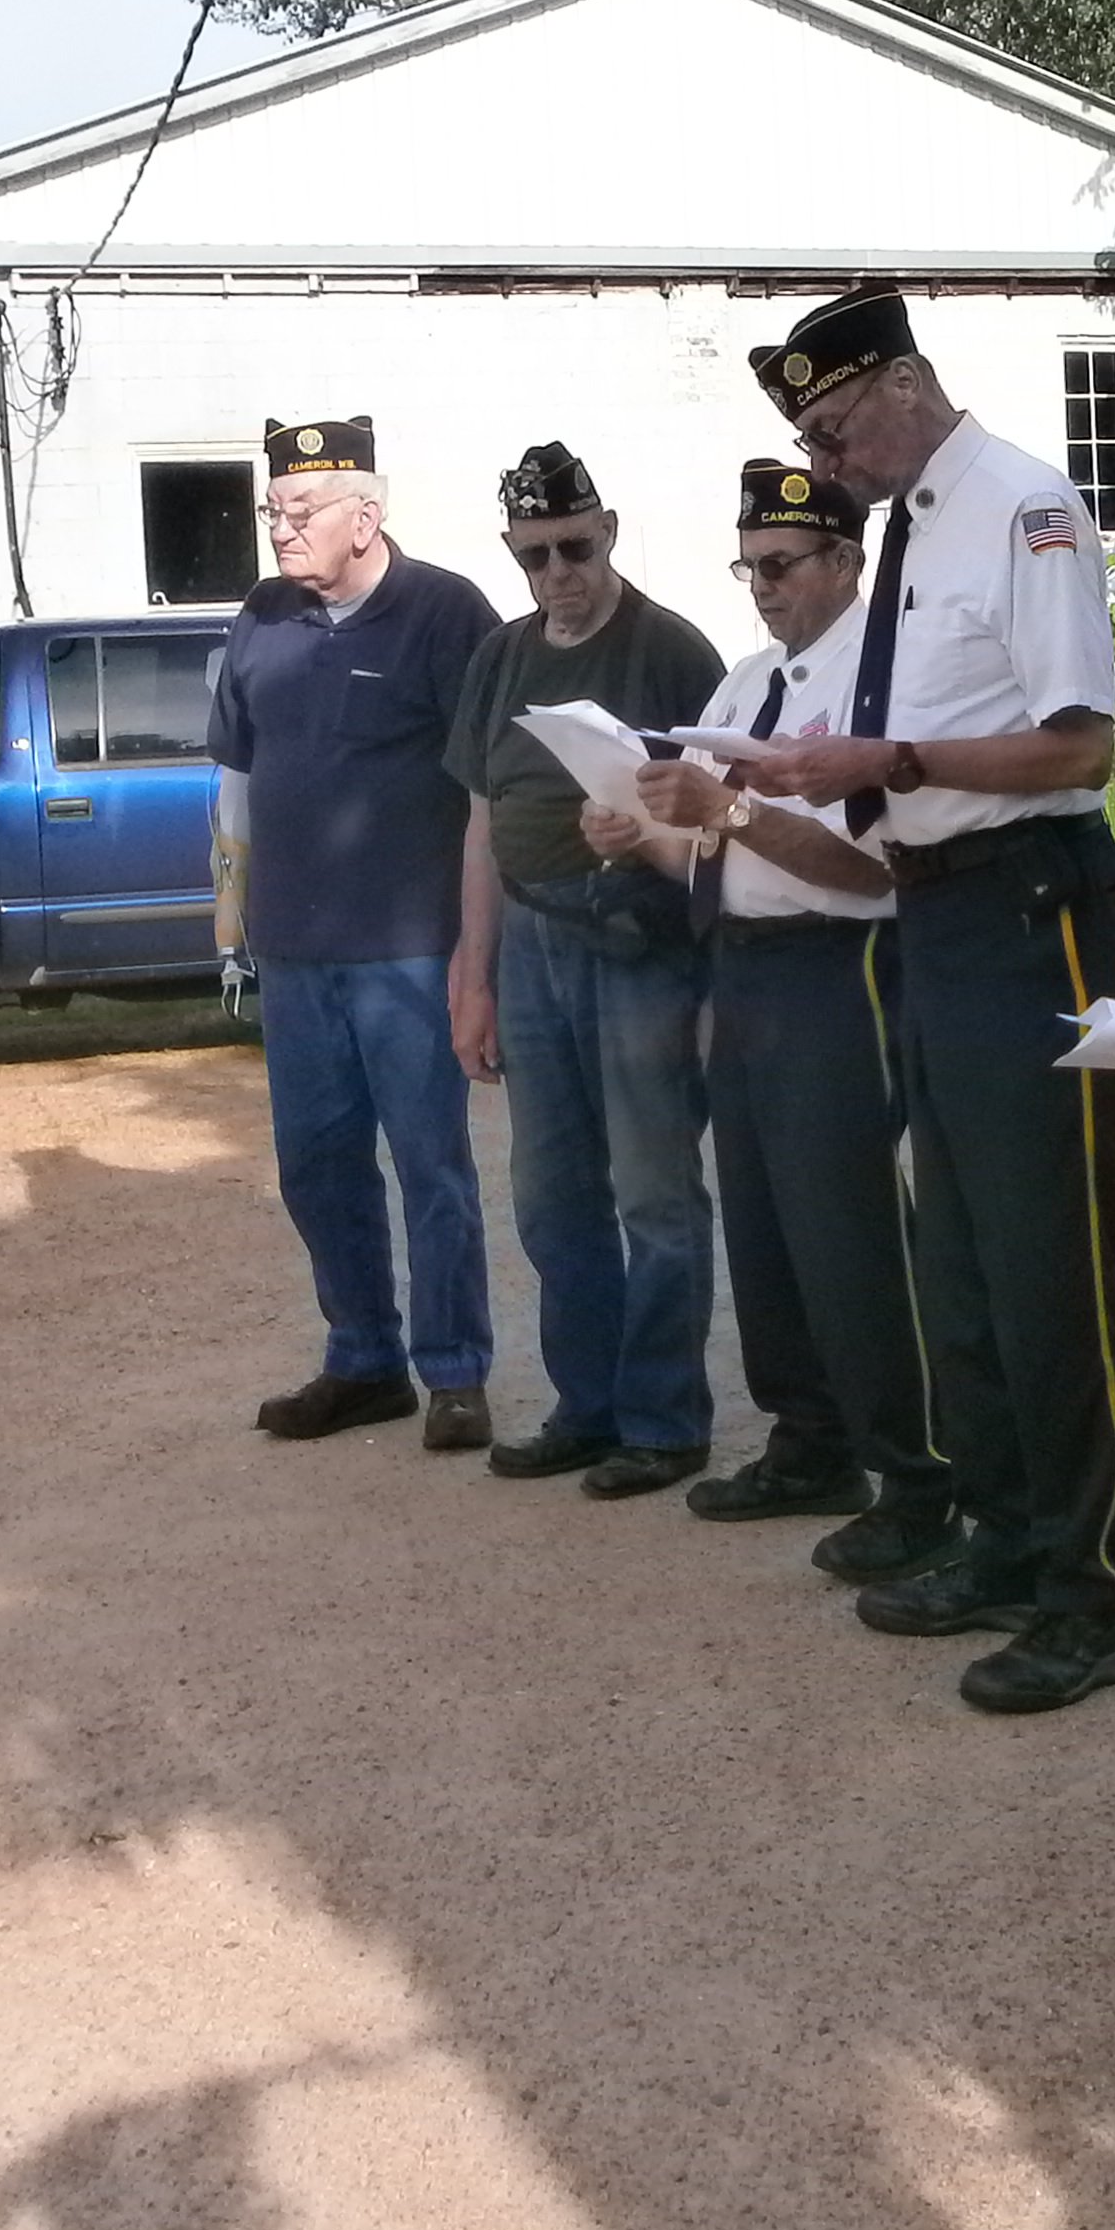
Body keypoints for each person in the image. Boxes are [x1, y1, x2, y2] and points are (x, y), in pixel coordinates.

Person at [732, 284, 1115, 1714]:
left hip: (1032, 908)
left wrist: (892, 764)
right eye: (815, 441)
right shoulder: (911, 525)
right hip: (934, 912)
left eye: (837, 430)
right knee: (960, 1266)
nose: (829, 461)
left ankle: (1094, 1595)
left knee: (1047, 1269)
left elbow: (1080, 749)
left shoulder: (1025, 508)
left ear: (905, 385)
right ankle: (1004, 1537)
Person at [625, 459, 943, 1546]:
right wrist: (637, 828)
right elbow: (713, 852)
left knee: (848, 1227)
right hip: (744, 962)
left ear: (845, 560)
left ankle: (918, 1473)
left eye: (780, 564)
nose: (761, 586)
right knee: (763, 1226)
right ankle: (809, 1441)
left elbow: (873, 870)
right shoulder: (745, 685)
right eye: (748, 567)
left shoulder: (879, 682)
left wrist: (730, 812)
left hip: (837, 965)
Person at [207, 417, 505, 1450]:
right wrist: (229, 917)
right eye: (272, 510)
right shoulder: (263, 614)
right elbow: (234, 772)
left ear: (365, 516)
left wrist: (480, 953)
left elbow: (492, 789)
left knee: (430, 1167)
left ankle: (455, 1371)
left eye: (301, 510)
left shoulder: (446, 612)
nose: (280, 530)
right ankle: (363, 1359)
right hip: (294, 949)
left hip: (410, 950)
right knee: (315, 1164)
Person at [443, 443, 730, 1497]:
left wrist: (649, 840)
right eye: (535, 556)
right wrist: (473, 972)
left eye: (574, 547)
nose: (558, 573)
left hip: (641, 940)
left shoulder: (671, 651)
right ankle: (587, 1405)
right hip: (532, 940)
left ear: (608, 531)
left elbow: (724, 819)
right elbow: (481, 821)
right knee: (550, 1193)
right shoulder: (501, 657)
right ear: (512, 554)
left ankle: (662, 1420)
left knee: (653, 1188)